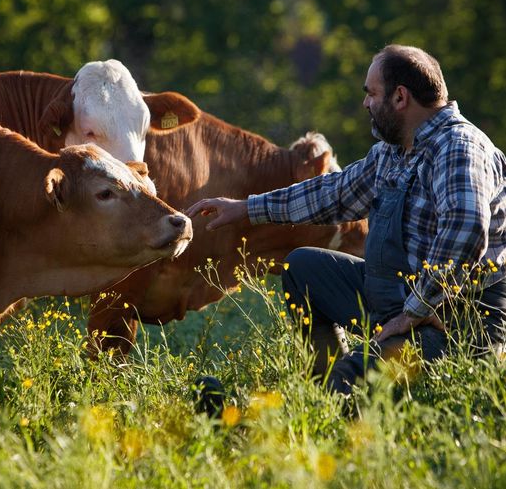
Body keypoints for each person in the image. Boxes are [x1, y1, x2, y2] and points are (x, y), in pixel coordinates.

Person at [186, 44, 506, 395]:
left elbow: (466, 230)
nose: (365, 104)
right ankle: (327, 381)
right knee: (303, 267)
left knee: (356, 380)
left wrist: (416, 310)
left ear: (400, 97)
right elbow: (334, 193)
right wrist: (246, 208)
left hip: (453, 320)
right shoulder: (393, 151)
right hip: (403, 304)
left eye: (371, 94)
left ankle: (331, 394)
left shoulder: (459, 149)